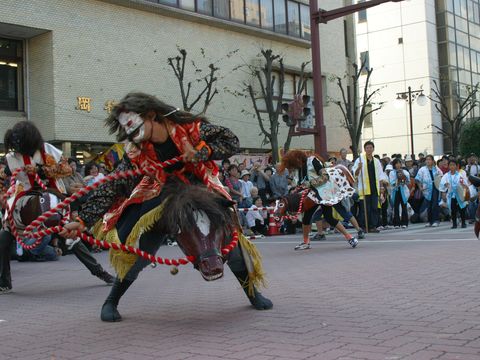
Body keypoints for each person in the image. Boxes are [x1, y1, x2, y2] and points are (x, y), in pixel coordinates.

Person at [59, 92, 272, 321]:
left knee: (229, 238)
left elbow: (231, 141)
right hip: (161, 193)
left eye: (135, 128)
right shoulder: (135, 152)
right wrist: (82, 220)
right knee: (141, 248)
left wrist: (201, 153)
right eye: (129, 133)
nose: (133, 137)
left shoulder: (190, 129)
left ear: (152, 116)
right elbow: (113, 184)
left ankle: (252, 293)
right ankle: (112, 300)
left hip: (199, 185)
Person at [0, 121, 113, 295]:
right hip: (23, 198)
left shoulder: (47, 150)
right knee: (4, 236)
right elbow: (6, 176)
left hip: (52, 195)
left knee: (70, 236)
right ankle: (4, 281)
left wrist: (40, 170)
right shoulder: (12, 157)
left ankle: (101, 272)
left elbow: (67, 170)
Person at [280, 150, 359, 250]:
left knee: (328, 217)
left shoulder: (313, 161)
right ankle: (306, 242)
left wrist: (310, 183)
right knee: (307, 217)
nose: (293, 167)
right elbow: (301, 182)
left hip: (323, 193)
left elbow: (325, 176)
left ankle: (350, 238)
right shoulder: (299, 168)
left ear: (297, 159)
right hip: (311, 195)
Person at [352, 141, 388, 233]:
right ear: (365, 149)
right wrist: (359, 168)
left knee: (374, 208)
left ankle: (372, 226)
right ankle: (364, 226)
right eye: (367, 148)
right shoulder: (360, 160)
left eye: (370, 147)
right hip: (364, 188)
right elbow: (354, 174)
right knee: (364, 209)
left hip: (374, 188)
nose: (369, 149)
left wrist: (383, 183)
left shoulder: (376, 161)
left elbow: (381, 174)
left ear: (373, 149)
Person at [439, 159, 469, 229]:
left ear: (456, 166)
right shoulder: (446, 175)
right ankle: (454, 224)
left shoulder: (460, 175)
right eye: (450, 165)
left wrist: (464, 190)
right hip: (451, 195)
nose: (452, 166)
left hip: (459, 194)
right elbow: (442, 184)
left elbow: (465, 184)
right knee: (453, 210)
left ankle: (463, 223)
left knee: (462, 209)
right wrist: (444, 189)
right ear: (448, 166)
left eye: (453, 165)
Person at [415, 155, 442, 227]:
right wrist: (420, 187)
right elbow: (417, 179)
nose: (428, 161)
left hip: (435, 187)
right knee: (428, 205)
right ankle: (430, 221)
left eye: (429, 159)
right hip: (426, 189)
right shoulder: (422, 169)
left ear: (433, 161)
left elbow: (441, 177)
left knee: (434, 204)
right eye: (427, 160)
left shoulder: (436, 169)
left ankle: (436, 220)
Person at [389, 158, 410, 228]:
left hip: (403, 191)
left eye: (399, 163)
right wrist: (397, 181)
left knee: (404, 206)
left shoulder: (405, 171)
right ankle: (396, 223)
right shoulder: (392, 173)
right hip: (395, 191)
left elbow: (408, 181)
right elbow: (391, 182)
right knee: (396, 207)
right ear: (394, 165)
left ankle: (404, 222)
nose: (398, 165)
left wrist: (404, 178)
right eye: (396, 163)